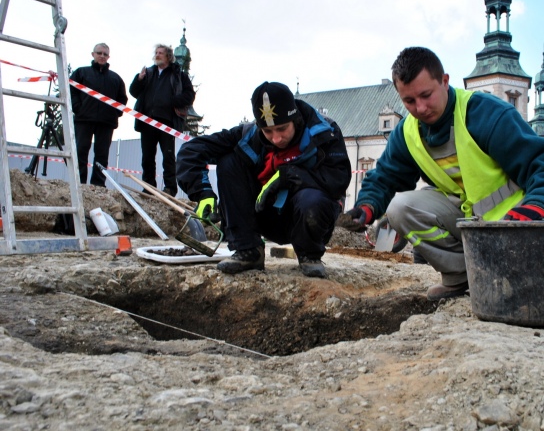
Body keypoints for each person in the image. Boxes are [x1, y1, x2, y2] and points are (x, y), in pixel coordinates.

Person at [339, 47, 544, 301]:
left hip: (513, 224)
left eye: (426, 95)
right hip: (468, 220)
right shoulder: (407, 133)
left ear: (445, 81)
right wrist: (366, 207)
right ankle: (463, 275)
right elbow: (385, 177)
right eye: (410, 101)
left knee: (522, 286)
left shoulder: (485, 114)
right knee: (399, 208)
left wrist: (535, 209)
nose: (421, 108)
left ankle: (499, 271)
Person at [176, 81, 351, 278]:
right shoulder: (249, 134)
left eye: (282, 129)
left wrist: (289, 176)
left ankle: (309, 254)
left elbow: (338, 179)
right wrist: (203, 193)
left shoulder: (325, 131)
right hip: (264, 213)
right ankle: (248, 250)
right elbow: (190, 151)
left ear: (296, 119)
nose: (276, 138)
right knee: (229, 161)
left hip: (307, 217)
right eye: (268, 131)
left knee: (313, 199)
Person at [129, 44, 195, 196]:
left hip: (167, 122)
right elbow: (133, 92)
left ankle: (170, 188)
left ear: (169, 56)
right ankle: (148, 187)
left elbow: (189, 96)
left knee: (168, 157)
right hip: (147, 120)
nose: (157, 55)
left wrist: (173, 101)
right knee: (147, 157)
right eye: (156, 53)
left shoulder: (178, 75)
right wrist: (139, 79)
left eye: (161, 53)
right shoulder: (149, 72)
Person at [70, 43, 128, 186]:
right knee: (81, 151)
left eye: (105, 54)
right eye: (99, 53)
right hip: (84, 119)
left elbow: (122, 99)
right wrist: (78, 108)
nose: (102, 56)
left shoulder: (116, 78)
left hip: (106, 122)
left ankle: (98, 184)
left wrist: (115, 113)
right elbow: (71, 91)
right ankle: (79, 182)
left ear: (108, 57)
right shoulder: (81, 73)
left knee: (102, 155)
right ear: (93, 54)